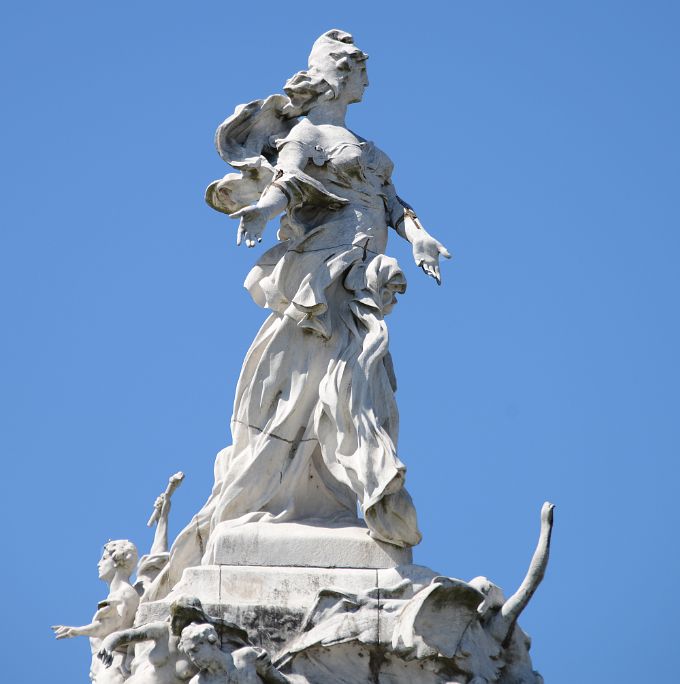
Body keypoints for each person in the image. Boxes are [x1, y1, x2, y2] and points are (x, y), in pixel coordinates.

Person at [144, 29, 451, 603]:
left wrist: (420, 236)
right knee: (314, 378)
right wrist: (260, 210)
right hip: (321, 273)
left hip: (363, 277)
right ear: (336, 74)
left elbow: (392, 203)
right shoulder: (307, 134)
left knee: (364, 382)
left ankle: (338, 490)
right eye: (359, 67)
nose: (368, 78)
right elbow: (287, 183)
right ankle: (289, 487)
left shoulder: (367, 146)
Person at [52, 540, 140, 682]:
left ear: (117, 561)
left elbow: (107, 625)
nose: (99, 564)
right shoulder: (120, 592)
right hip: (104, 666)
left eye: (104, 558)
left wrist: (77, 631)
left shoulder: (123, 594)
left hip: (112, 665)